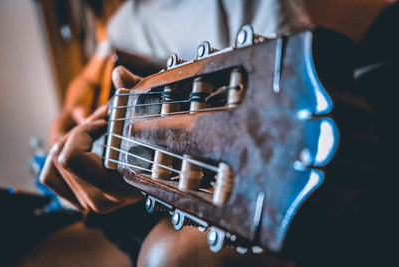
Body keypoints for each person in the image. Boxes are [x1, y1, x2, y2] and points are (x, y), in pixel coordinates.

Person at [41, 0, 398, 266]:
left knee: (167, 256)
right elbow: (94, 71)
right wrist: (75, 104)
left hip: (239, 179)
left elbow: (293, 97)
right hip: (168, 190)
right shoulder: (129, 16)